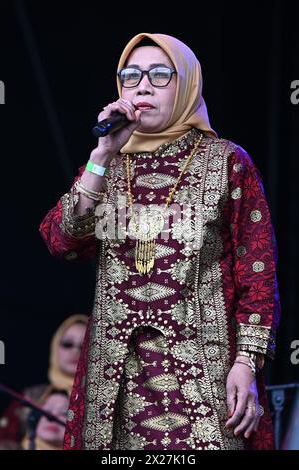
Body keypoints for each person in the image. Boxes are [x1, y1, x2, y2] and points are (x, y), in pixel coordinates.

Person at [39, 33, 281, 450]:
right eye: (130, 76)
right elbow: (62, 242)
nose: (143, 86)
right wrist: (100, 158)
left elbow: (257, 273)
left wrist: (246, 362)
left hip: (203, 369)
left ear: (186, 84)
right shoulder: (106, 167)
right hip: (114, 376)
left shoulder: (227, 162)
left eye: (159, 75)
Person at [0, 314, 88, 450]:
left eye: (84, 347)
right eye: (67, 344)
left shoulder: (100, 404)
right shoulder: (31, 395)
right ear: (55, 347)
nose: (75, 351)